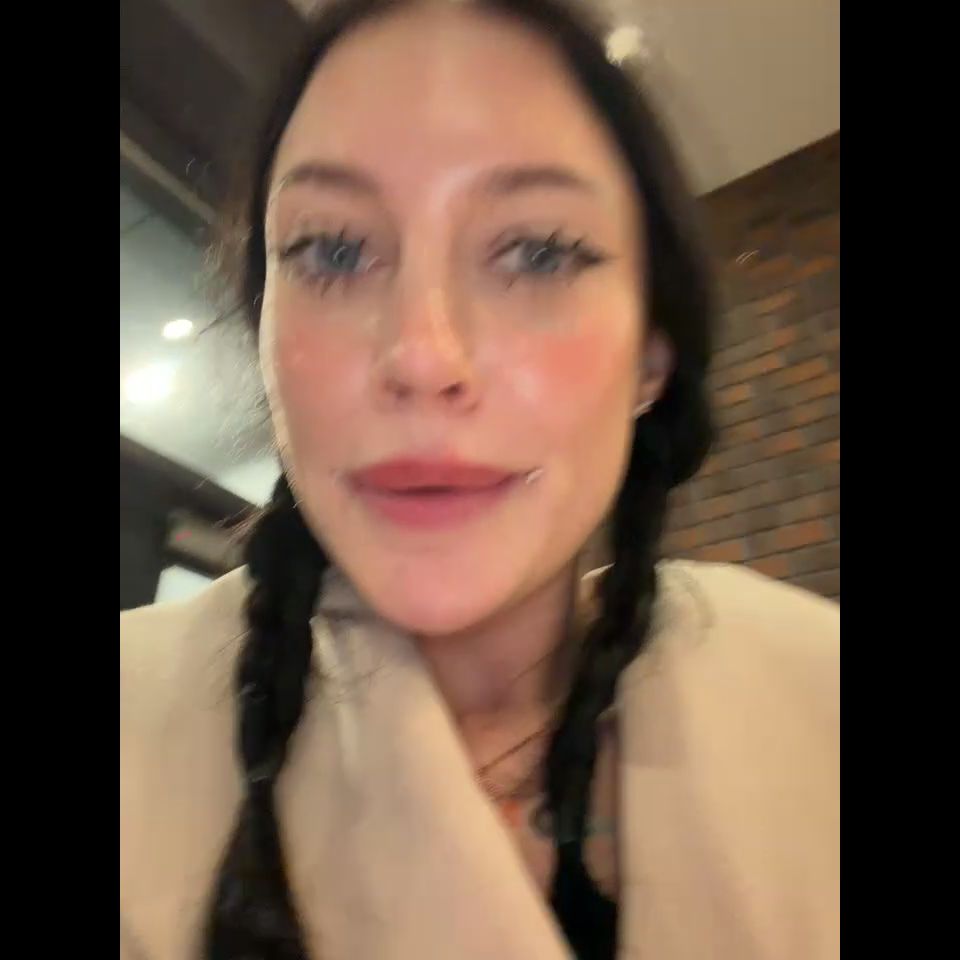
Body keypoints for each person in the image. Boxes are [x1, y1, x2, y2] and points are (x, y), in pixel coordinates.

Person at [119, 0, 840, 957]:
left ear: (652, 359)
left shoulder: (813, 705)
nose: (422, 355)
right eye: (333, 250)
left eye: (539, 251)